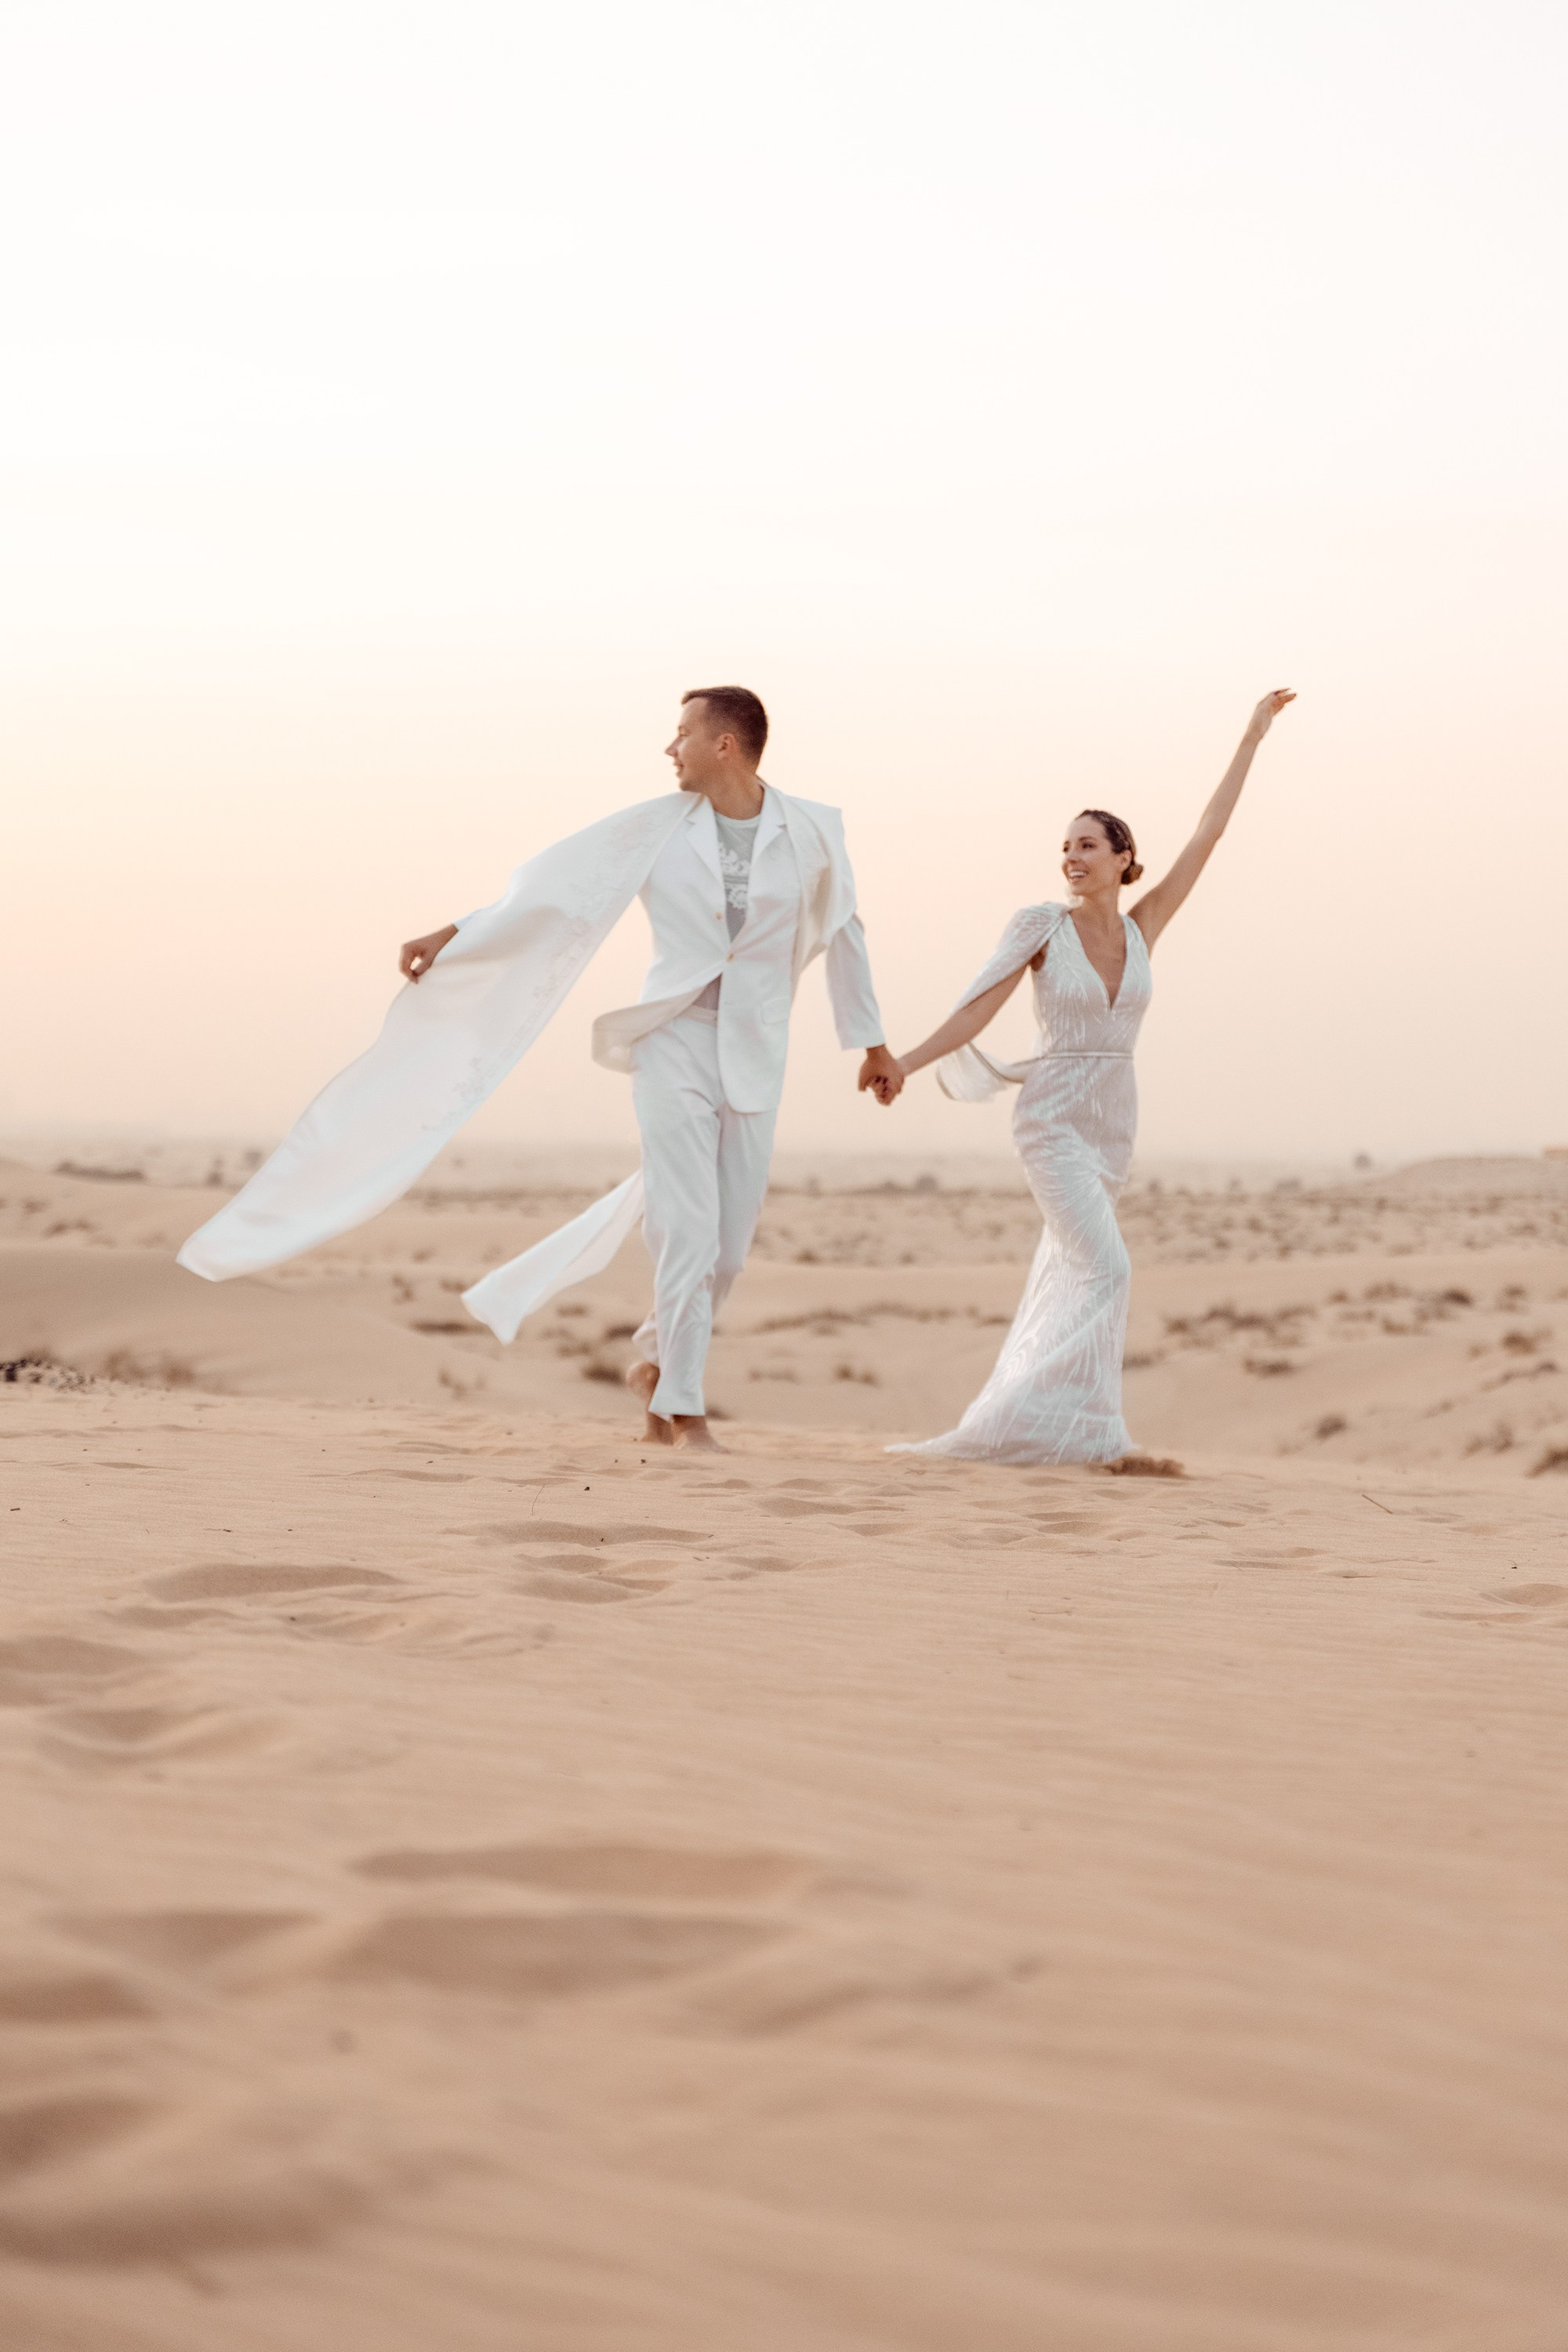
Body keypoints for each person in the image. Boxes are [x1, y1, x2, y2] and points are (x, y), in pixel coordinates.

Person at [178, 686, 902, 1453]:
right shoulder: (652, 827)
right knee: (687, 1228)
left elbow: (845, 929)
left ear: (724, 745)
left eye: (682, 733)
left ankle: (656, 1363)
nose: (669, 748)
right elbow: (552, 891)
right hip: (670, 1040)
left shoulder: (813, 831)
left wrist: (873, 1042)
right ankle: (681, 1413)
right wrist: (455, 933)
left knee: (725, 1247)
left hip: (756, 1049)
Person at [875, 690, 1295, 1465]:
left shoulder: (1144, 928)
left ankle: (1043, 1427)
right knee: (1106, 1267)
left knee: (1071, 1276)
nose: (1069, 857)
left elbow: (1209, 834)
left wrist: (1249, 738)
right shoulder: (1040, 926)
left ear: (1125, 861)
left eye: (1087, 846)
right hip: (1051, 1119)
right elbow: (976, 1009)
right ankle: (1094, 1435)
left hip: (1110, 1126)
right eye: (1064, 847)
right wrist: (904, 1062)